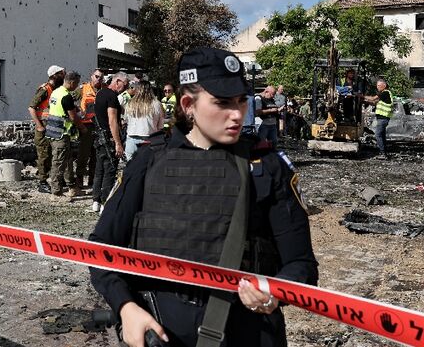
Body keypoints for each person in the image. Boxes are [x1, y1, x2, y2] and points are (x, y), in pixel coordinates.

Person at [89, 47, 318, 346]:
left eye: (241, 101)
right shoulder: (149, 161)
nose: (237, 113)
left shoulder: (267, 166)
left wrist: (275, 291)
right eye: (222, 102)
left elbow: (302, 265)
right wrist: (126, 308)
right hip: (160, 333)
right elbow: (100, 250)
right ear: (188, 104)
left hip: (248, 332)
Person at [46, 72, 86, 198]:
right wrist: (83, 128)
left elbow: (58, 108)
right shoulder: (66, 96)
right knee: (58, 162)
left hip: (54, 132)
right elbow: (73, 117)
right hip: (60, 134)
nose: (77, 87)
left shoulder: (56, 92)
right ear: (72, 82)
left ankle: (72, 187)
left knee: (68, 161)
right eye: (76, 84)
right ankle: (56, 192)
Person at [92, 72, 127, 212]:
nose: (125, 88)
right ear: (118, 81)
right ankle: (105, 203)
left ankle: (95, 201)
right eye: (125, 85)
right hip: (108, 138)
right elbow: (112, 121)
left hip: (98, 137)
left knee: (99, 170)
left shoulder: (100, 93)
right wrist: (118, 143)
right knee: (110, 170)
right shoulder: (111, 96)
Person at [28, 65, 65, 188]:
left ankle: (53, 179)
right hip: (43, 126)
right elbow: (31, 108)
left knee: (53, 154)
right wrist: (39, 126)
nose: (63, 75)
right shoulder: (45, 89)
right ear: (54, 75)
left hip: (53, 125)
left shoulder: (57, 89)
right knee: (43, 155)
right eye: (61, 73)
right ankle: (42, 182)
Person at [75, 68, 105, 191]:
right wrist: (78, 111)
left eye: (101, 77)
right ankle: (79, 180)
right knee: (83, 154)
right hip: (86, 126)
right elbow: (69, 100)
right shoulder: (83, 89)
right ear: (91, 76)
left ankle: (93, 180)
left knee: (96, 155)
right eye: (96, 76)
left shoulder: (104, 90)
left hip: (99, 126)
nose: (99, 79)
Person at [123, 81, 164, 160]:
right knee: (148, 169)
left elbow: (126, 121)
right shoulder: (157, 104)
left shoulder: (130, 104)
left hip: (132, 140)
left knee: (132, 170)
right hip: (149, 140)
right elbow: (160, 126)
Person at [363, 79, 392, 159]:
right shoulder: (384, 95)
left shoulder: (385, 93)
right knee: (382, 136)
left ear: (384, 86)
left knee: (378, 134)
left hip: (383, 118)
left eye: (379, 85)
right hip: (382, 118)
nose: (377, 87)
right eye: (377, 85)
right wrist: (365, 101)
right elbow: (374, 103)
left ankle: (383, 153)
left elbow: (373, 99)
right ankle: (384, 152)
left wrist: (361, 96)